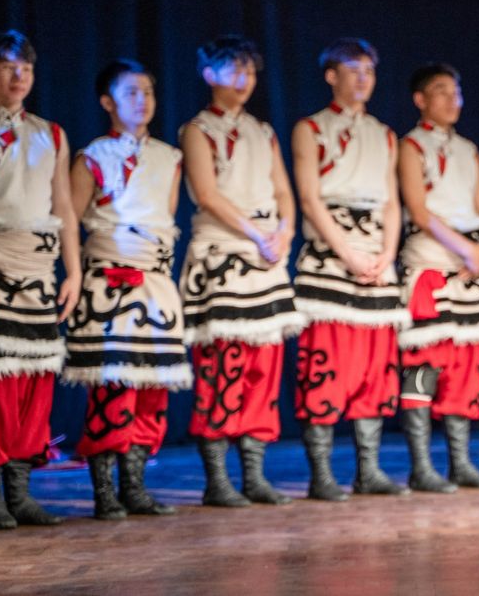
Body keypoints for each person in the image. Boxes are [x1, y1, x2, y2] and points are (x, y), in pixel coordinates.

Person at [179, 35, 305, 507]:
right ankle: (217, 477)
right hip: (225, 253)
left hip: (265, 258)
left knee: (262, 367)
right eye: (234, 69)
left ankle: (254, 472)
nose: (245, 79)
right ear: (209, 73)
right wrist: (256, 234)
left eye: (250, 71)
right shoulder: (197, 130)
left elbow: (284, 192)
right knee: (221, 366)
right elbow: (208, 194)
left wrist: (285, 232)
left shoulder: (263, 131)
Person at [64, 59, 191, 519]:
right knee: (112, 384)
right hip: (108, 283)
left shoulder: (169, 157)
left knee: (153, 387)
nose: (144, 100)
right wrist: (77, 276)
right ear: (107, 101)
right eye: (132, 92)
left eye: (149, 92)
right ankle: (104, 489)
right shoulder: (92, 156)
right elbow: (71, 223)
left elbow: (167, 218)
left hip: (155, 283)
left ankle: (135, 484)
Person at [291, 39, 411, 500]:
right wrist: (347, 253)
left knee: (373, 368)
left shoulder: (383, 134)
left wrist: (386, 254)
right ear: (331, 75)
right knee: (326, 364)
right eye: (353, 68)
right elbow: (309, 197)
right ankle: (321, 471)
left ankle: (369, 468)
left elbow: (391, 201)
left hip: (375, 256)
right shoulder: (310, 128)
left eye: (369, 70)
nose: (363, 77)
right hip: (330, 255)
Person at [0, 31, 80, 530]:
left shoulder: (51, 134)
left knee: (35, 383)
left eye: (27, 69)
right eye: (10, 66)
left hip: (40, 270)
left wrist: (74, 271)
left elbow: (64, 208)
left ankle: (21, 491)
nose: (19, 76)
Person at [398, 63, 479, 493]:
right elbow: (420, 213)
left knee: (463, 368)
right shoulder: (410, 145)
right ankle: (422, 465)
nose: (452, 99)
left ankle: (461, 462)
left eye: (456, 91)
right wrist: (466, 249)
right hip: (432, 265)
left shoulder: (468, 149)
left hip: (470, 268)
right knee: (425, 362)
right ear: (420, 99)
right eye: (441, 91)